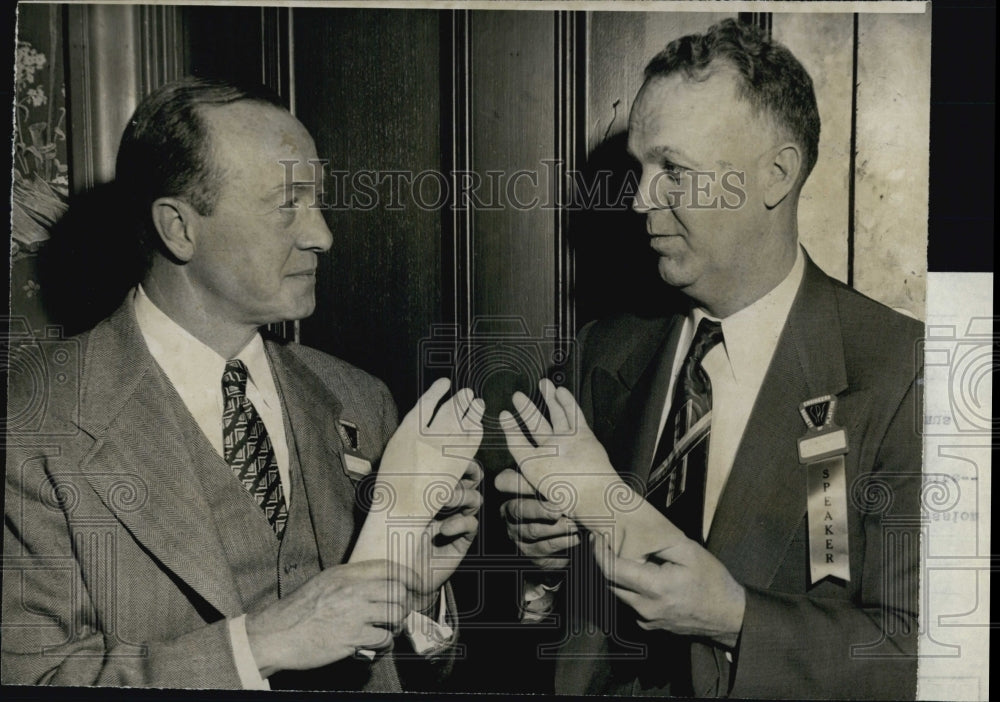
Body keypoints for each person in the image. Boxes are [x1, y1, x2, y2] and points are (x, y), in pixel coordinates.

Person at [2, 77, 484, 691]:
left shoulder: (361, 399)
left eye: (318, 202)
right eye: (287, 205)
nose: (322, 235)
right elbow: (31, 679)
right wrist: (261, 645)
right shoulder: (34, 422)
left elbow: (415, 672)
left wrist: (418, 597)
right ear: (179, 228)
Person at [497, 19, 921, 700]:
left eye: (675, 170)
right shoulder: (603, 354)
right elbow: (546, 623)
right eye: (640, 168)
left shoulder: (904, 373)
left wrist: (736, 620)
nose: (639, 201)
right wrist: (541, 562)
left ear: (775, 175)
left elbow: (916, 654)